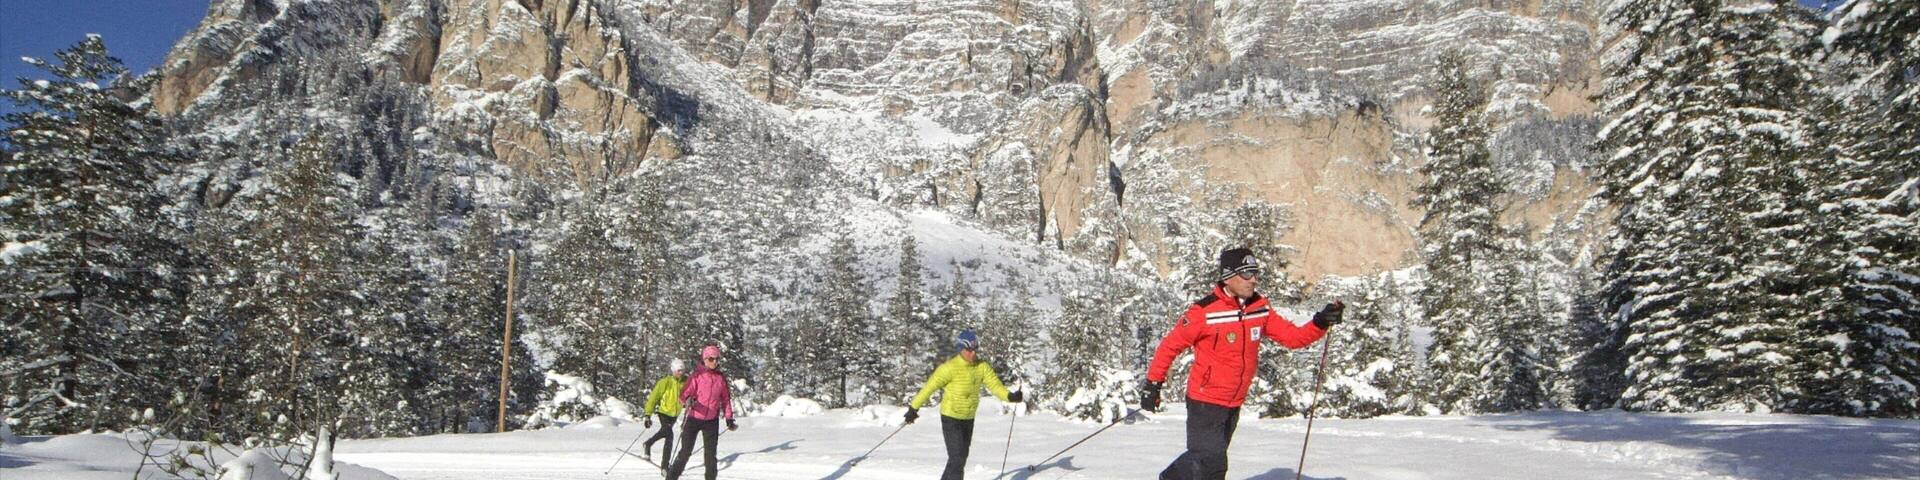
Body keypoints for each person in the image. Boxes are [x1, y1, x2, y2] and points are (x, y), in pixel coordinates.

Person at [1142, 247, 1344, 480]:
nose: (1254, 280)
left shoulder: (1259, 308)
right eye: (1247, 274)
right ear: (1228, 276)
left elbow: (1292, 337)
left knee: (1204, 459)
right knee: (1213, 464)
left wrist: (1320, 322)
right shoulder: (1204, 312)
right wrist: (1153, 384)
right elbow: (1170, 346)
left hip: (1234, 401)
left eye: (1256, 273)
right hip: (1205, 401)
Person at [905, 329, 1024, 480]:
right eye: (969, 350)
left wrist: (1010, 397)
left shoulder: (982, 367)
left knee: (960, 458)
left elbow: (995, 386)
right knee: (957, 458)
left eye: (975, 349)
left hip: (968, 418)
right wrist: (913, 408)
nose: (973, 353)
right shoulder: (949, 368)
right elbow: (929, 388)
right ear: (960, 349)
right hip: (951, 417)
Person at [666, 345, 737, 480]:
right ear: (704, 359)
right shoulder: (696, 376)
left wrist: (729, 418)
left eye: (717, 359)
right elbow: (683, 396)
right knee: (685, 452)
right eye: (711, 359)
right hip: (693, 419)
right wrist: (688, 401)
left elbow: (726, 399)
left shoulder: (720, 378)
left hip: (711, 421)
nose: (714, 362)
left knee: (710, 456)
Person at [640, 358, 687, 462]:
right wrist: (648, 415)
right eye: (679, 370)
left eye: (682, 370)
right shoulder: (665, 382)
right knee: (669, 435)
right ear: (673, 370)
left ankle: (648, 444)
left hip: (674, 414)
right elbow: (653, 398)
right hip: (663, 412)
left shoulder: (685, 382)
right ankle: (665, 466)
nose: (681, 373)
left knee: (666, 433)